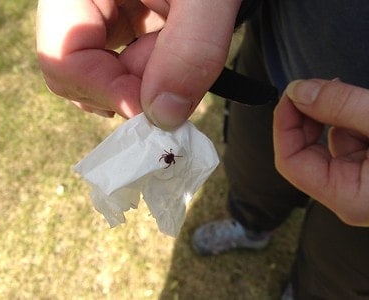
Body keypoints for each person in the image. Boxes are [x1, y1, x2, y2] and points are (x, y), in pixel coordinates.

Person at [36, 0, 369, 298]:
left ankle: (311, 291)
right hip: (275, 53)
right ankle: (250, 224)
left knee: (342, 259)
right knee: (252, 169)